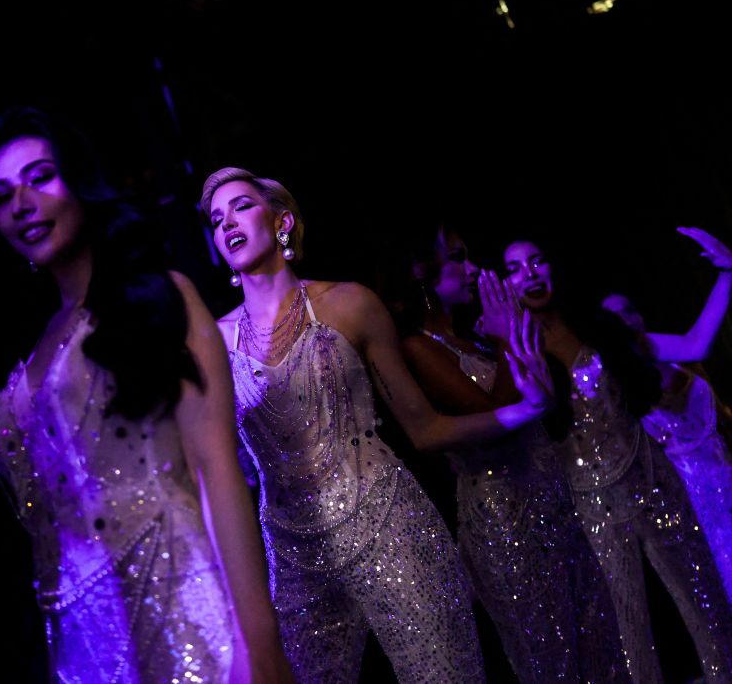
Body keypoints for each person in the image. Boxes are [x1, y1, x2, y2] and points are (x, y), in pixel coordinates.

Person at [201, 167, 553, 684]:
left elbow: (425, 429)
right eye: (215, 218)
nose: (226, 222)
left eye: (241, 206)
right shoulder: (214, 341)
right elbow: (220, 469)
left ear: (282, 221)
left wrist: (526, 409)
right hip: (293, 555)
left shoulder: (349, 304)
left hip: (389, 526)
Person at [0, 109, 292, 683]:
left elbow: (216, 470)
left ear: (82, 182)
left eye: (40, 177)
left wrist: (261, 643)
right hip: (83, 646)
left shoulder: (157, 299)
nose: (21, 202)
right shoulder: (34, 347)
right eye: (3, 195)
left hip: (186, 616)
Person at [503, 236, 732, 684]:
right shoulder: (513, 352)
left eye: (537, 261)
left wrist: (727, 273)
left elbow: (694, 344)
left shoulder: (599, 326)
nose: (530, 273)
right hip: (593, 504)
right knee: (630, 630)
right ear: (502, 285)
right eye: (515, 268)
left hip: (651, 477)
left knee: (706, 600)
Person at [399, 227, 623, 682]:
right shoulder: (418, 347)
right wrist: (505, 339)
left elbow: (543, 404)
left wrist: (506, 336)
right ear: (424, 271)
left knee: (602, 646)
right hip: (505, 522)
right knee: (551, 662)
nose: (474, 269)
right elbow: (491, 418)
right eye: (458, 258)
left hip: (553, 504)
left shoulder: (475, 338)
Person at [601, 226, 732, 601]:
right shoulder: (615, 382)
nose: (627, 322)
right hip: (695, 514)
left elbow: (699, 342)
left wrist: (727, 272)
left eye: (629, 312)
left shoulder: (659, 347)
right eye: (615, 320)